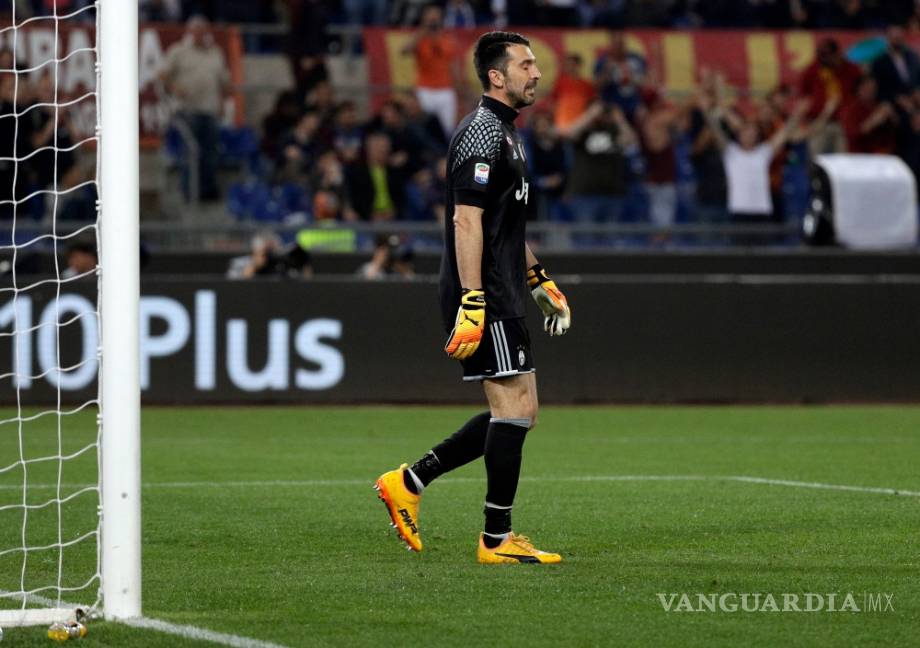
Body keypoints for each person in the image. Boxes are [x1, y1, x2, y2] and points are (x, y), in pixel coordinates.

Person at [374, 31, 570, 565]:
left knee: (520, 412)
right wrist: (473, 299)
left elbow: (506, 226)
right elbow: (466, 219)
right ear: (496, 77)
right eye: (526, 65)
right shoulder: (482, 134)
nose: (536, 73)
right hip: (485, 293)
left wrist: (540, 280)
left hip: (504, 288)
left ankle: (408, 481)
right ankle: (496, 540)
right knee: (515, 410)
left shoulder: (505, 133)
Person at [159, 15, 230, 201]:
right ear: (190, 33)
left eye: (204, 32)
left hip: (210, 109)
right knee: (190, 152)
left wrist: (222, 103)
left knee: (211, 153)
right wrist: (175, 88)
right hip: (187, 110)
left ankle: (207, 192)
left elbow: (223, 82)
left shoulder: (215, 52)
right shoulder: (179, 51)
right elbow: (162, 76)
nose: (201, 35)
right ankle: (189, 193)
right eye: (197, 32)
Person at [401, 4, 461, 139]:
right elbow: (404, 51)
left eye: (436, 16)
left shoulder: (447, 39)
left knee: (447, 129)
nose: (433, 19)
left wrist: (459, 90)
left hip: (446, 90)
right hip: (424, 89)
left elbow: (454, 67)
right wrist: (422, 31)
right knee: (424, 127)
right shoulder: (419, 38)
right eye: (430, 16)